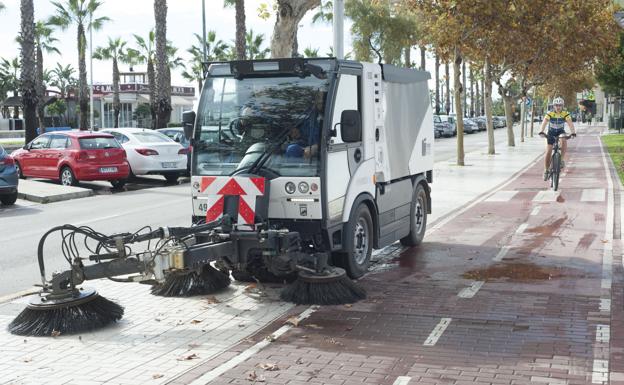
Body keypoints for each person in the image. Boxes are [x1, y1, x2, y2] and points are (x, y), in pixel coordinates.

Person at [538, 97, 576, 181]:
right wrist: (541, 131)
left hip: (560, 131)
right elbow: (544, 122)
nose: (558, 107)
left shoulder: (565, 113)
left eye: (560, 105)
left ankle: (561, 160)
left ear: (562, 106)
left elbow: (570, 123)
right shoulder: (550, 113)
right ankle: (546, 170)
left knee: (563, 139)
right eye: (556, 105)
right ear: (553, 106)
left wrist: (573, 132)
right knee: (548, 151)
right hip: (551, 132)